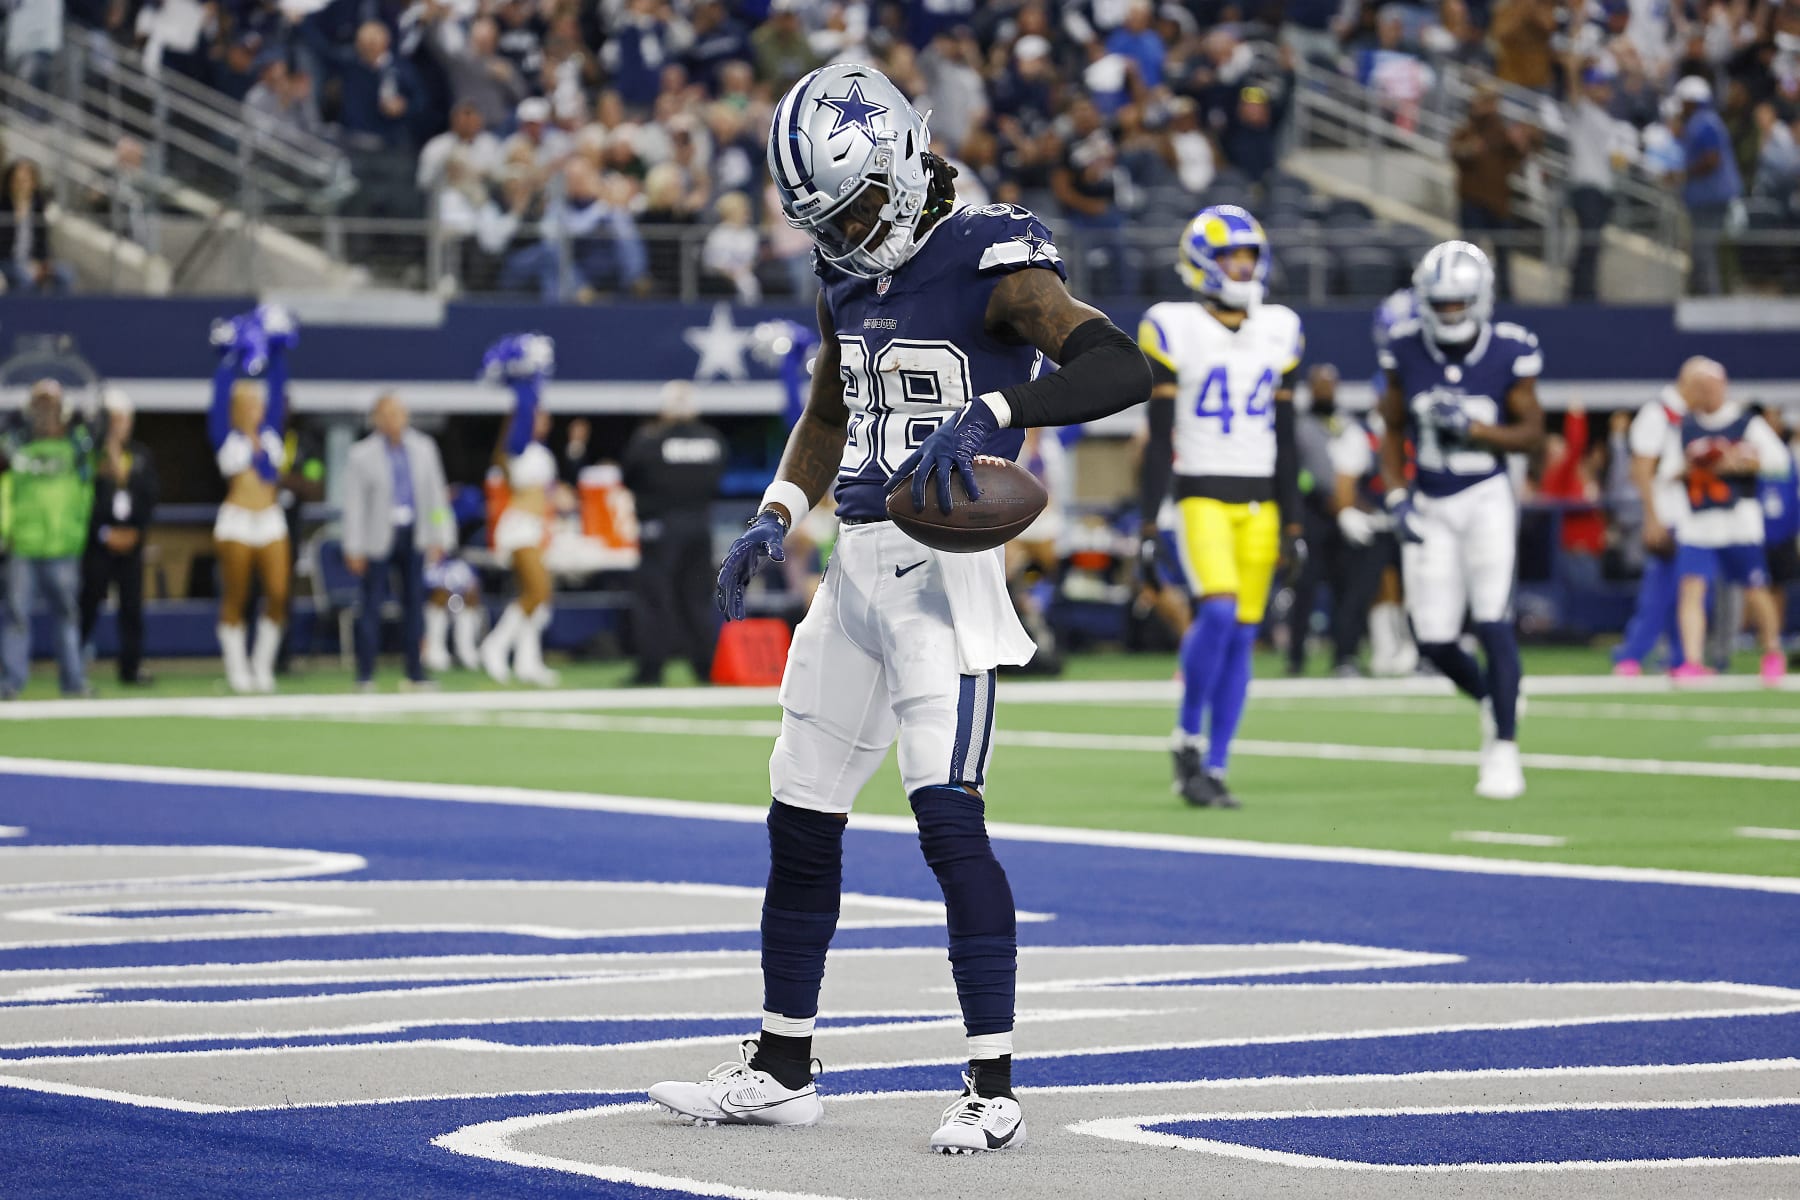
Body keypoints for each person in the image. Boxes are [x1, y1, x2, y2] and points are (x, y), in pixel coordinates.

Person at [648, 63, 1150, 1154]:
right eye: (825, 218)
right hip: (855, 567)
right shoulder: (846, 272)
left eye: (860, 206)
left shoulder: (990, 254)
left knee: (947, 817)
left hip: (945, 572)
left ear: (902, 165)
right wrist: (777, 510)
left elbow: (1122, 369)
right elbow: (832, 403)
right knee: (799, 811)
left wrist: (997, 408)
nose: (847, 233)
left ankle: (993, 1082)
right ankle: (784, 1064)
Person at [1135, 207, 1305, 808]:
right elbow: (1158, 436)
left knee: (1243, 634)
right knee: (1221, 610)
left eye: (1250, 256)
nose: (1243, 266)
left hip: (1261, 499)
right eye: (1233, 255)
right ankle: (1186, 734)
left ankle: (1215, 763)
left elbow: (1286, 437)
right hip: (1200, 492)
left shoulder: (1279, 327)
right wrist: (1150, 519)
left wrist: (1293, 520)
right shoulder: (1173, 326)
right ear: (1203, 261)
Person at [1379, 241, 1545, 800]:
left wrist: (1475, 431)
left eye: (1458, 303)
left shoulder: (1511, 350)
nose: (1449, 313)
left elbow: (1532, 437)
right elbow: (1393, 428)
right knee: (1433, 640)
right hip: (1429, 498)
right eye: (1440, 304)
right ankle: (1494, 696)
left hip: (1485, 495)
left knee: (1493, 619)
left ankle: (1503, 747)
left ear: (1479, 300)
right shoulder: (1404, 348)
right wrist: (1396, 494)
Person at [1659, 358, 1789, 685]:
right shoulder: (1686, 427)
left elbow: (1779, 463)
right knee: (1692, 588)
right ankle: (1692, 660)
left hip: (1738, 520)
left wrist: (1740, 463)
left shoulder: (1746, 424)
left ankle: (1772, 651)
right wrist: (1697, 466)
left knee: (1755, 588)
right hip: (1699, 520)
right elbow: (1667, 472)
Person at [208, 304, 297, 694]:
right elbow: (217, 399)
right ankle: (236, 665)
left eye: (259, 405)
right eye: (248, 405)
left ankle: (262, 664)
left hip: (270, 517)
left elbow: (279, 390)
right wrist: (228, 358)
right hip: (238, 519)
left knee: (278, 594)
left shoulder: (273, 433)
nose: (257, 409)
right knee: (237, 595)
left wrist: (277, 351)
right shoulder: (225, 437)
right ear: (237, 408)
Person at [342, 392, 455, 690]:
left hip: (414, 534)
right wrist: (353, 546)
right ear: (376, 418)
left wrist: (440, 536)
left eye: (398, 413)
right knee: (371, 606)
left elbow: (436, 497)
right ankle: (365, 674)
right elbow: (353, 505)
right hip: (376, 539)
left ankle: (415, 673)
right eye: (387, 414)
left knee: (415, 606)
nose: (394, 419)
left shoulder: (424, 448)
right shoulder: (361, 454)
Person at [622, 381, 726, 687]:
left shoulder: (650, 440)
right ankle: (705, 667)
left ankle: (652, 668)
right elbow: (718, 479)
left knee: (655, 597)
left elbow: (630, 475)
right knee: (697, 598)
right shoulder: (712, 439)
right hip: (700, 524)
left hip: (661, 526)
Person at [0, 380, 94, 699]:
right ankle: (11, 682)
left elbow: (90, 485)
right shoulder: (16, 444)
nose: (45, 411)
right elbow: (5, 489)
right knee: (15, 616)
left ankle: (74, 681)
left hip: (63, 544)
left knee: (68, 616)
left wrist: (78, 532)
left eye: (51, 404)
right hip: (23, 543)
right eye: (39, 403)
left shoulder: (77, 446)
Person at [477, 334, 559, 687]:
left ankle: (528, 661)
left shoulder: (542, 454)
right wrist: (524, 386)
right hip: (517, 526)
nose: (542, 417)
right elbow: (509, 467)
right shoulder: (515, 452)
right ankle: (494, 646)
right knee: (537, 593)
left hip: (537, 526)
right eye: (536, 414)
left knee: (539, 598)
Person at [1613, 364, 1695, 675]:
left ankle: (1680, 658)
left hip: (1692, 517)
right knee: (1658, 591)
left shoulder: (1694, 415)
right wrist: (1652, 517)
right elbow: (1641, 470)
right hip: (1666, 514)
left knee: (1688, 592)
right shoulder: (1656, 414)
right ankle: (1631, 655)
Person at [79, 388, 158, 687]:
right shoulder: (90, 456)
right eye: (114, 419)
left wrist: (136, 532)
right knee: (88, 603)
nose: (120, 425)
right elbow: (85, 502)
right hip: (99, 544)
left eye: (124, 419)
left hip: (131, 543)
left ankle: (131, 668)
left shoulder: (140, 455)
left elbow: (150, 496)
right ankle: (75, 666)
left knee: (132, 608)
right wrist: (102, 533)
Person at [1671, 75, 1744, 296]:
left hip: (1709, 198)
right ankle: (1700, 299)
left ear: (1691, 101)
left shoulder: (1704, 122)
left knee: (1703, 254)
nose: (1680, 107)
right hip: (1707, 198)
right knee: (1701, 254)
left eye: (1683, 101)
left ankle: (1711, 305)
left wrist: (1684, 174)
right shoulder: (1704, 121)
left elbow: (1712, 159)